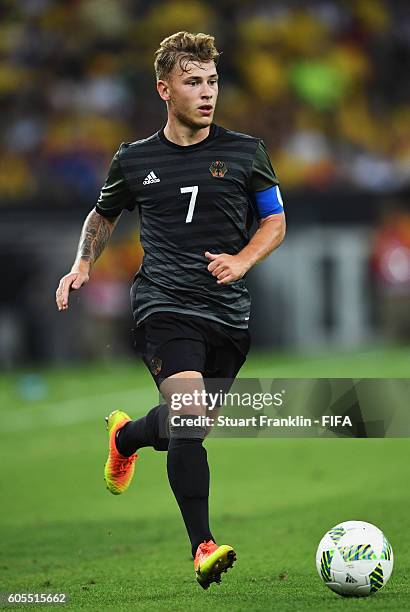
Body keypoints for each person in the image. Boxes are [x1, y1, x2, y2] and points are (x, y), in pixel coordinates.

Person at [55, 31, 286, 589]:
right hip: (164, 306)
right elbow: (102, 214)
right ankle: (202, 545)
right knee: (187, 416)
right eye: (193, 82)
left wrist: (242, 259)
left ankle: (126, 437)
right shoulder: (135, 159)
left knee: (193, 423)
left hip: (228, 313)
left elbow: (275, 223)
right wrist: (83, 264)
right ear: (165, 89)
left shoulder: (245, 151)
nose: (207, 93)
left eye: (212, 81)